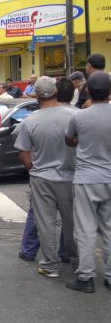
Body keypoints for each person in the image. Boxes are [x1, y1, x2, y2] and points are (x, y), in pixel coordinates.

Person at [14, 76, 78, 279]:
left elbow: (23, 153)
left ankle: (50, 265)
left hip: (42, 177)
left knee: (46, 223)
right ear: (56, 92)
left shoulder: (30, 120)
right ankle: (77, 261)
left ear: (36, 96)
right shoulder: (75, 115)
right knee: (73, 222)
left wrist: (34, 169)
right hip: (71, 176)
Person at [64, 72, 111, 293]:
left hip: (86, 179)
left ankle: (86, 277)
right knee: (109, 229)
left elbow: (69, 139)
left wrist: (80, 140)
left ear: (88, 91)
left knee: (85, 230)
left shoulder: (79, 117)